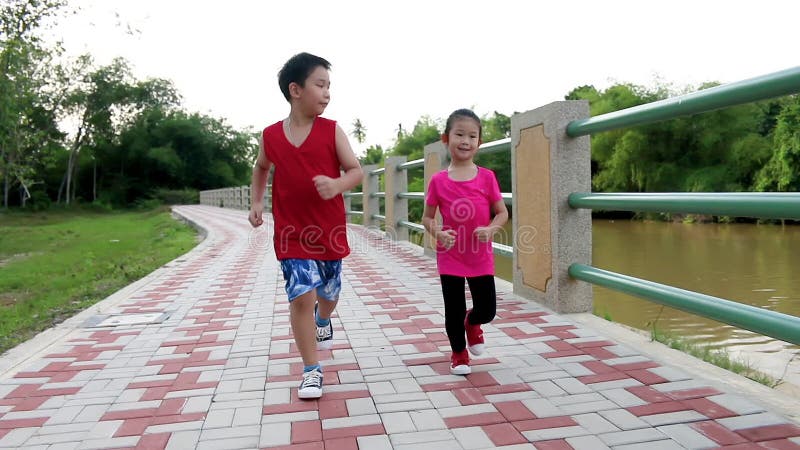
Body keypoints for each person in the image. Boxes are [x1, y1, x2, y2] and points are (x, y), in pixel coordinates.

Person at [249, 52, 363, 399]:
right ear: (295, 89)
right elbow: (260, 168)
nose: (327, 93)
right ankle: (311, 370)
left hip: (327, 230)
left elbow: (355, 171)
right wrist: (256, 202)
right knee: (301, 296)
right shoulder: (271, 136)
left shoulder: (331, 131)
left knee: (328, 294)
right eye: (320, 84)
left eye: (329, 86)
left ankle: (324, 320)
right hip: (291, 232)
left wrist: (336, 185)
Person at [422, 108, 509, 375]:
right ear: (446, 138)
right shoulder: (438, 181)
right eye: (459, 134)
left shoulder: (487, 177)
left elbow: (503, 212)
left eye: (472, 136)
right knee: (453, 308)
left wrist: (492, 228)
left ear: (479, 143)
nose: (466, 141)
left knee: (488, 309)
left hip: (479, 254)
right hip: (450, 254)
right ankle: (459, 353)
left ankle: (473, 323)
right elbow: (427, 218)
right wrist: (438, 233)